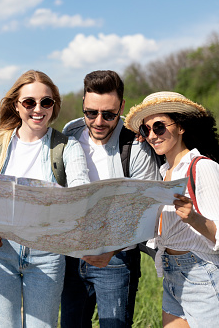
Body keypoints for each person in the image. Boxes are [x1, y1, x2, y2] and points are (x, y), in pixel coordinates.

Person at [0, 70, 90, 327]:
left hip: (47, 254)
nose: (38, 109)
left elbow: (81, 193)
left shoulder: (67, 147)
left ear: (54, 105)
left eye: (46, 102)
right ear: (16, 105)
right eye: (29, 102)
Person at [124, 91, 219, 327]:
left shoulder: (202, 168)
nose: (152, 135)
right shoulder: (164, 174)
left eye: (159, 127)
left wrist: (193, 217)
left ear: (180, 127)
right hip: (173, 276)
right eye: (146, 130)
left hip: (205, 276)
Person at [60, 70, 161, 327]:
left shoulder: (136, 145)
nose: (98, 121)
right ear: (83, 103)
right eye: (91, 112)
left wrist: (111, 250)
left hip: (116, 259)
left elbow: (145, 209)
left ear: (122, 107)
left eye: (109, 114)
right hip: (72, 257)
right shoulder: (70, 132)